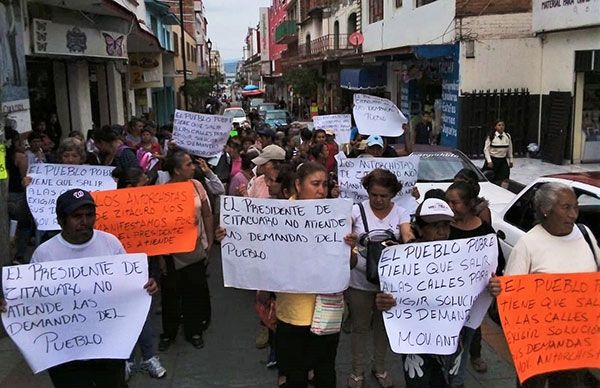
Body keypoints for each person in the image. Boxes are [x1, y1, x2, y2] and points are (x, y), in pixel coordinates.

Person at [0, 189, 158, 387]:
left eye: (89, 215)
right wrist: (11, 304)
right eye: (76, 216)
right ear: (60, 220)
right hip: (64, 352)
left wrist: (145, 286)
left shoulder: (110, 243)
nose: (84, 221)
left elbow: (127, 283)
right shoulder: (45, 253)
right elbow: (32, 298)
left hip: (108, 345)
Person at [376, 198, 502, 388]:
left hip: (450, 337)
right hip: (416, 340)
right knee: (418, 383)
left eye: (445, 225)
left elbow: (478, 289)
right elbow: (388, 299)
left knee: (445, 383)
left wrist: (492, 288)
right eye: (434, 226)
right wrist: (383, 302)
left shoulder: (462, 259)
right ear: (418, 227)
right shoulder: (401, 260)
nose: (442, 232)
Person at [500, 182, 599, 388]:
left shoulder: (585, 235)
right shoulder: (528, 244)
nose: (573, 215)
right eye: (566, 207)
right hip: (538, 346)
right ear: (545, 210)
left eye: (575, 207)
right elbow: (511, 298)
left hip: (576, 343)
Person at [347, 169, 414, 388]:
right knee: (360, 327)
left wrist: (411, 243)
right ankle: (357, 370)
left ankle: (380, 366)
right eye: (374, 194)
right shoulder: (355, 211)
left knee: (383, 328)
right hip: (359, 281)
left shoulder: (402, 213)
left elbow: (407, 234)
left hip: (388, 284)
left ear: (392, 194)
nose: (378, 200)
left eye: (383, 196)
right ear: (367, 191)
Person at [110, 167, 167, 380]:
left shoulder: (148, 206)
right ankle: (126, 359)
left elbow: (156, 239)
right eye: (144, 181)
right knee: (122, 317)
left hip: (144, 267)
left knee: (143, 314)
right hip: (116, 271)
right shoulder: (109, 210)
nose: (148, 184)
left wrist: (158, 264)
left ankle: (148, 357)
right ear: (129, 187)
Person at [445, 181, 504, 385]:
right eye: (448, 202)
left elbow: (497, 268)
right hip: (441, 306)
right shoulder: (440, 228)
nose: (450, 207)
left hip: (471, 307)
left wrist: (495, 285)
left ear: (470, 203)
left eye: (455, 202)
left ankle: (457, 380)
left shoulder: (486, 233)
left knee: (461, 347)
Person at [158, 151, 213, 351]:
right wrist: (161, 258)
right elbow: (158, 227)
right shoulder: (162, 192)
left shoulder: (197, 186)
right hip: (171, 253)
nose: (193, 167)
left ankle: (194, 330)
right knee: (171, 293)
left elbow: (207, 214)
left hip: (195, 249)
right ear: (177, 170)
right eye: (189, 164)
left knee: (195, 290)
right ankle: (169, 332)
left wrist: (209, 241)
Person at [483, 120, 513, 188]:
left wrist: (511, 160)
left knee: (505, 178)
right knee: (490, 177)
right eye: (499, 125)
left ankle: (504, 191)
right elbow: (486, 149)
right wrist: (489, 161)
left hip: (503, 160)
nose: (501, 127)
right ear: (495, 127)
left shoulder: (507, 136)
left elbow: (510, 149)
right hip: (493, 160)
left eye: (502, 125)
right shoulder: (491, 136)